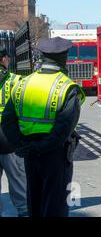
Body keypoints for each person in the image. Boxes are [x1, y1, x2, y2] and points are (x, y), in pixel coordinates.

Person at [1, 37, 85, 217]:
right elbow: (63, 129)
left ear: (42, 56)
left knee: (35, 200)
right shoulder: (67, 87)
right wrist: (41, 147)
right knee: (55, 203)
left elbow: (7, 120)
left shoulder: (22, 83)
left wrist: (22, 146)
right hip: (55, 155)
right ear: (64, 57)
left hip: (29, 153)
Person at [0, 46, 28, 217]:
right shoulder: (16, 81)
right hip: (8, 138)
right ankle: (24, 212)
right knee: (19, 183)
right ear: (3, 59)